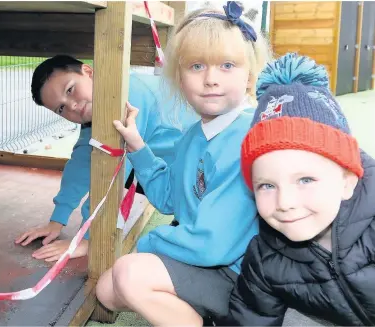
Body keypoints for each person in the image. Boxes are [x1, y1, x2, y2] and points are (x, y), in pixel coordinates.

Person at [95, 2, 273, 325]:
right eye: (196, 67)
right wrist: (137, 144)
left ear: (250, 76)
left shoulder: (247, 136)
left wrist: (149, 245)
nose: (211, 79)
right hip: (208, 260)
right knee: (107, 292)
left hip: (240, 275)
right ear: (179, 77)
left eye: (228, 65)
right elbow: (167, 198)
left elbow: (212, 243)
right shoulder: (193, 136)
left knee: (129, 274)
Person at [223, 52, 375, 326]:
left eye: (305, 180)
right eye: (267, 185)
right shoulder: (265, 257)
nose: (285, 202)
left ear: (347, 182)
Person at [15, 55, 199, 261]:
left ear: (88, 72)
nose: (72, 106)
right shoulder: (100, 106)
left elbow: (112, 172)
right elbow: (82, 163)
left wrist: (87, 238)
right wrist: (57, 220)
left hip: (204, 172)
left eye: (70, 90)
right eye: (61, 108)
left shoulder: (128, 97)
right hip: (183, 170)